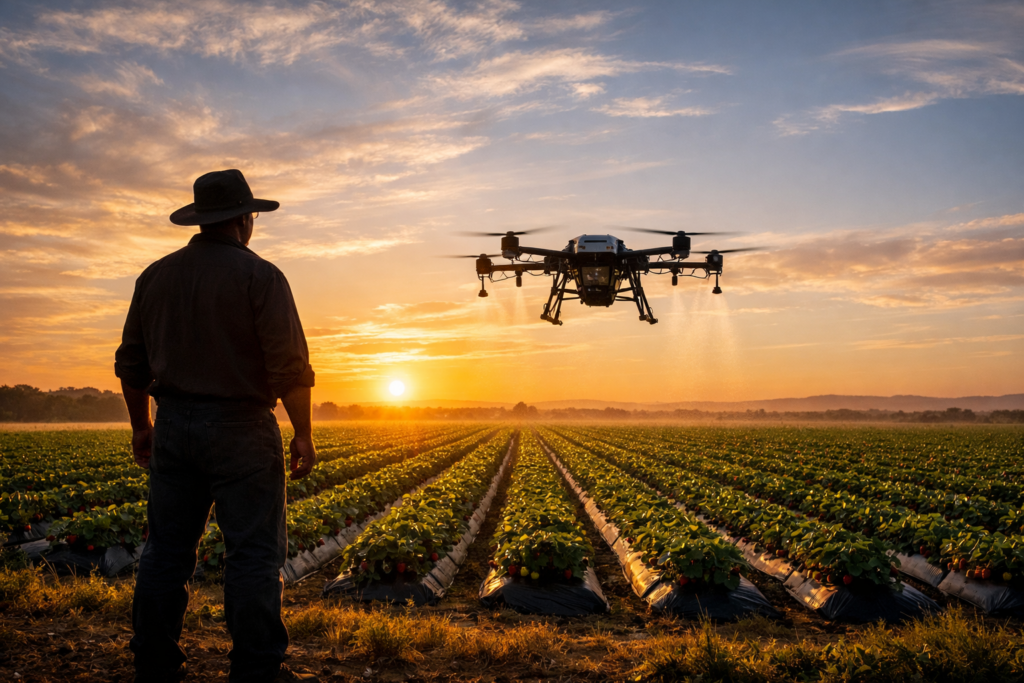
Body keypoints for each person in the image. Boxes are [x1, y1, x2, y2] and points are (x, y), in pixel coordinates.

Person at [115, 169, 319, 683]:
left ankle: (154, 663)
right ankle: (256, 669)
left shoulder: (155, 276)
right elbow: (289, 367)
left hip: (174, 427)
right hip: (242, 430)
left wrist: (143, 426)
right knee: (251, 554)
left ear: (202, 219)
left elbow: (132, 365)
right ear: (244, 219)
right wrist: (303, 432)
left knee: (165, 552)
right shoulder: (261, 276)